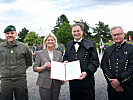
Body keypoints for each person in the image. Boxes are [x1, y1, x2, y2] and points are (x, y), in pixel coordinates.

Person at [63, 23, 99, 100]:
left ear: (82, 31)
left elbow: (95, 62)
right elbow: (65, 57)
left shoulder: (91, 44)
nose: (76, 33)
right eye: (74, 31)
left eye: (78, 31)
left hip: (87, 80)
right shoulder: (68, 45)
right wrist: (65, 61)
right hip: (73, 81)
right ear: (71, 32)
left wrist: (86, 72)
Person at [0, 25, 32, 100]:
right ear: (5, 35)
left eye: (12, 33)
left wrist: (19, 71)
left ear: (16, 34)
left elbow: (29, 62)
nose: (10, 35)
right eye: (7, 33)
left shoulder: (24, 47)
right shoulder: (0, 47)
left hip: (20, 80)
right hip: (5, 80)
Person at [101, 26, 133, 100]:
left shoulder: (131, 48)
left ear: (123, 34)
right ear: (112, 36)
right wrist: (113, 83)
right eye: (114, 35)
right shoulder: (108, 50)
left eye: (119, 34)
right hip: (112, 88)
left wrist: (119, 81)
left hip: (128, 87)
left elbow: (132, 68)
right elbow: (104, 66)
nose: (116, 36)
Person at [33, 33, 63, 100]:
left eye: (52, 40)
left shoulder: (59, 53)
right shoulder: (39, 53)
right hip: (44, 82)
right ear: (45, 42)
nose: (50, 41)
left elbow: (61, 68)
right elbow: (34, 68)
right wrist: (43, 67)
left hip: (56, 82)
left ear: (55, 41)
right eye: (48, 40)